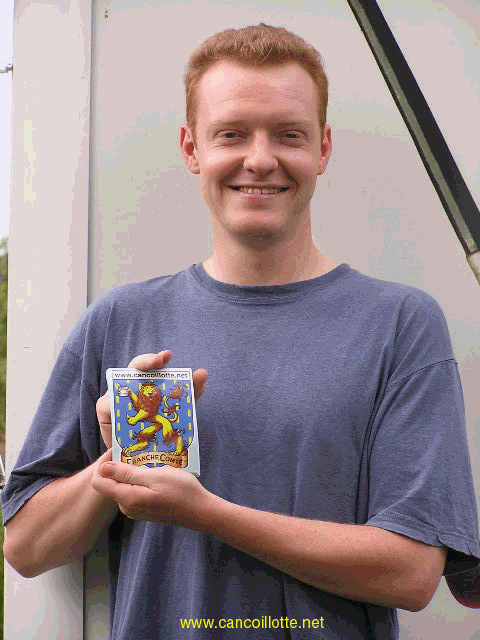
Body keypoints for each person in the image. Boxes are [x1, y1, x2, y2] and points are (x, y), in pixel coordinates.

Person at [2, 23, 479, 639]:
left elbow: (411, 572)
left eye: (289, 135)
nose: (259, 159)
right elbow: (25, 547)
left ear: (322, 149)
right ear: (191, 148)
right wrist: (115, 466)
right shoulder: (120, 320)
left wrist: (208, 514)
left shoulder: (399, 325)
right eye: (231, 134)